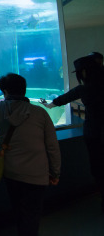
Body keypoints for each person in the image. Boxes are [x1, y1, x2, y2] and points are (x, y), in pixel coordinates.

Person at [0, 73, 60, 236]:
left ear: (5, 91)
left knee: (18, 209)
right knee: (32, 213)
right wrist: (55, 172)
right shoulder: (40, 113)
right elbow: (52, 146)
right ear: (24, 90)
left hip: (12, 172)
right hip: (38, 173)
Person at [43, 55, 104, 211]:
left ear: (83, 72)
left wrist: (48, 104)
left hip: (94, 133)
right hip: (95, 132)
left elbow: (60, 100)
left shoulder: (83, 89)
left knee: (98, 167)